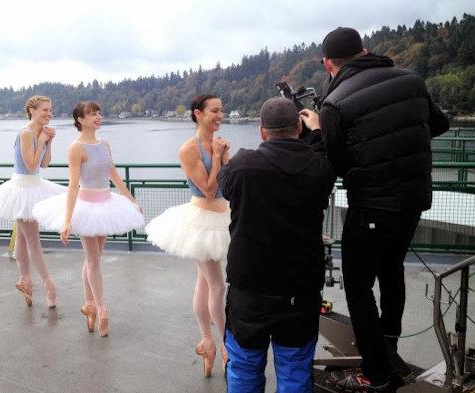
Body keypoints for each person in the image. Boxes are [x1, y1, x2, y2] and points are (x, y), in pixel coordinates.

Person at [301, 27, 450, 391]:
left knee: (358, 285)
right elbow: (441, 124)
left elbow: (332, 163)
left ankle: (376, 373)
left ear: (327, 64)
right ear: (365, 50)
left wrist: (317, 129)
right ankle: (388, 347)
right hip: (414, 200)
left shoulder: (335, 102)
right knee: (392, 270)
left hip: (372, 207)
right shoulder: (411, 79)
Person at [218, 96, 335, 392]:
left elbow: (224, 182)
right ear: (299, 125)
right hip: (300, 290)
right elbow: (321, 159)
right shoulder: (319, 168)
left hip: (250, 290)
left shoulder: (243, 165)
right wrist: (317, 131)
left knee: (244, 368)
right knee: (295, 371)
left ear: (261, 132)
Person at [33, 101, 144, 337]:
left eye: (98, 113)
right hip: (86, 206)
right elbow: (73, 185)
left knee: (93, 258)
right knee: (93, 259)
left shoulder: (104, 144)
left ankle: (89, 304)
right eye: (92, 114)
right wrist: (67, 219)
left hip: (106, 205)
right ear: (80, 120)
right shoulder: (76, 148)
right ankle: (102, 308)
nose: (97, 117)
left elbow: (113, 174)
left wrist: (131, 199)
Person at [145, 94, 231, 377]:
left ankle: (207, 341)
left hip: (223, 216)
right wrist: (218, 157)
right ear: (198, 113)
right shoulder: (188, 149)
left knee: (205, 282)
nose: (220, 115)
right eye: (215, 111)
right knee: (217, 285)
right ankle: (225, 344)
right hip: (201, 220)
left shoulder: (219, 143)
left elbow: (228, 182)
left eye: (221, 110)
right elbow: (207, 188)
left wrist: (224, 156)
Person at [0, 95, 65, 308]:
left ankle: (24, 280)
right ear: (32, 110)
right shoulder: (26, 133)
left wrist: (49, 142)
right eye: (45, 110)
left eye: (50, 110)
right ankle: (49, 285)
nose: (49, 114)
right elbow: (29, 165)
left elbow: (44, 164)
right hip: (22, 188)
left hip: (35, 184)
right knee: (33, 241)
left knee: (23, 239)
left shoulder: (40, 133)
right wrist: (43, 141)